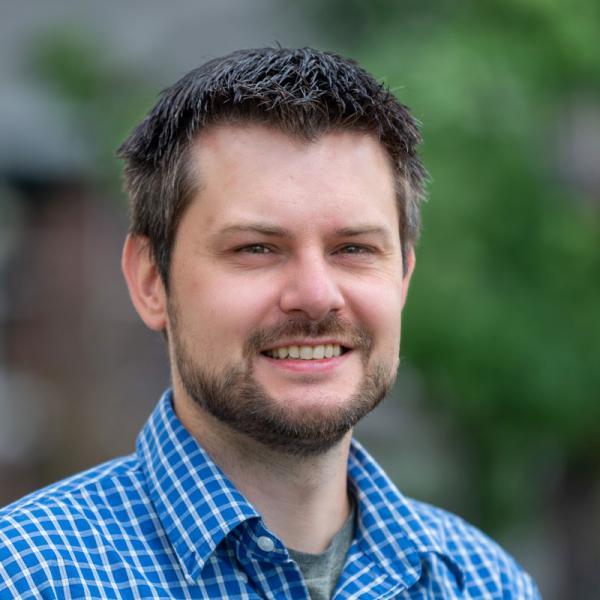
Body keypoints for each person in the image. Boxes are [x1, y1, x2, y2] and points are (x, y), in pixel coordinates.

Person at [0, 47, 540, 599]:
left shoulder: (484, 583)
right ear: (150, 280)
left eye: (354, 248)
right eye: (256, 248)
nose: (316, 296)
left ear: (402, 277)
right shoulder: (27, 579)